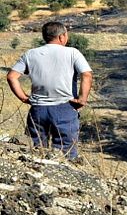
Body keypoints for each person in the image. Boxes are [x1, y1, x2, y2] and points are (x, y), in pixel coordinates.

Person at [6, 22, 93, 159]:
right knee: (66, 153)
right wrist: (82, 99)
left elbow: (12, 77)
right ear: (62, 36)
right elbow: (86, 75)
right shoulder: (72, 53)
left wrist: (24, 98)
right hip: (65, 107)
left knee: (35, 150)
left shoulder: (30, 54)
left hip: (38, 110)